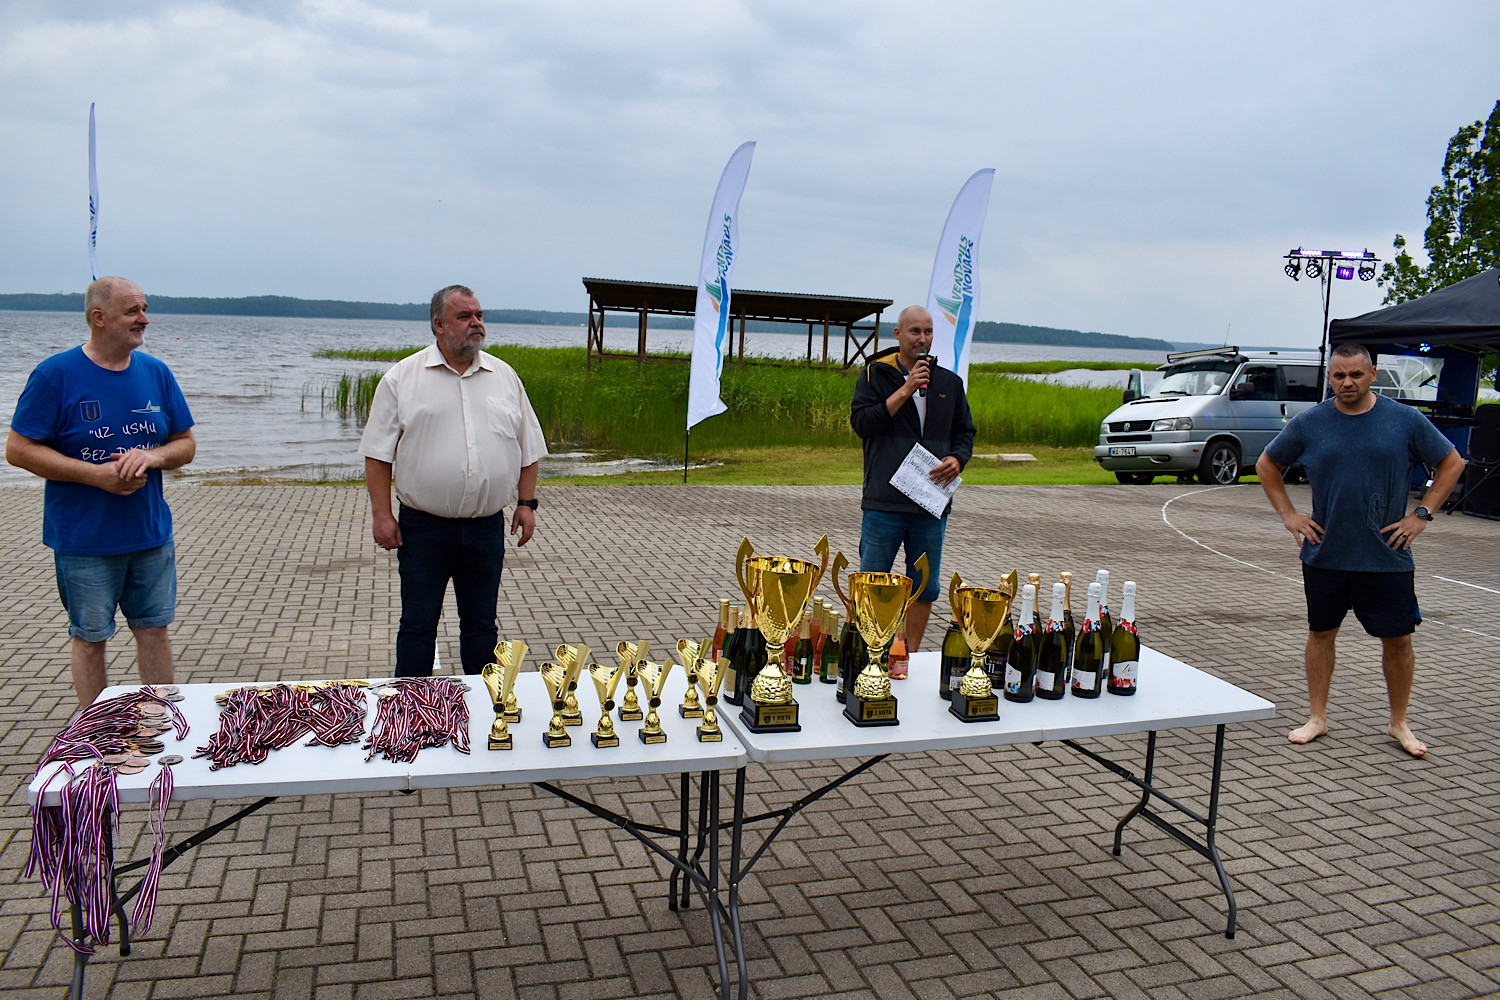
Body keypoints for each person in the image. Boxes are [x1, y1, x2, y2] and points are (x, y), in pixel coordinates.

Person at [1255, 342, 1463, 758]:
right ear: (1329, 378)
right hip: (1325, 554)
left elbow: (1452, 462)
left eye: (1355, 374)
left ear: (1372, 375)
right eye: (1338, 375)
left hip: (1386, 555)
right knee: (1320, 634)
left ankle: (1398, 723)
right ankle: (1317, 717)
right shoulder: (1311, 423)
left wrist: (1421, 514)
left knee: (1398, 640)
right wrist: (1289, 515)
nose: (1346, 382)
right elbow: (1267, 464)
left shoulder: (1404, 420)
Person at [6, 277, 196, 706]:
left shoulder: (156, 372)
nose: (144, 319)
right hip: (84, 540)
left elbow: (185, 444)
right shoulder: (55, 375)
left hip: (150, 535)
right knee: (91, 638)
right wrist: (96, 475)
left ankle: (163, 719)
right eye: (133, 311)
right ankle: (96, 731)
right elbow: (18, 450)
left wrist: (151, 457)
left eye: (144, 309)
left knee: (154, 631)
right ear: (99, 318)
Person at [360, 284, 547, 677]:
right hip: (423, 530)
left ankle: (486, 707)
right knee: (417, 626)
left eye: (479, 315)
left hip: (485, 530)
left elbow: (528, 446)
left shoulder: (504, 377)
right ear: (439, 325)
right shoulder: (402, 378)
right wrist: (381, 515)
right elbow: (377, 454)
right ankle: (411, 707)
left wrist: (526, 504)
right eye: (465, 316)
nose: (476, 323)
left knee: (482, 629)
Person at [849, 304, 975, 650]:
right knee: (873, 581)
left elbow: (965, 432)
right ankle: (870, 652)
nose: (922, 339)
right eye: (915, 331)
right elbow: (862, 424)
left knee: (925, 586)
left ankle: (910, 656)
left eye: (928, 331)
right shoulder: (875, 374)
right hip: (884, 502)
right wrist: (906, 389)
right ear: (898, 334)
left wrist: (958, 458)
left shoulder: (948, 382)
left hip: (930, 504)